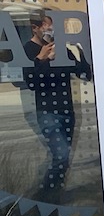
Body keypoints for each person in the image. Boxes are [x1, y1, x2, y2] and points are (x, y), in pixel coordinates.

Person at [23, 11, 91, 200]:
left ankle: (55, 196)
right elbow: (31, 82)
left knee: (63, 159)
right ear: (35, 28)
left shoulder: (61, 49)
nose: (50, 29)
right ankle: (43, 196)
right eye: (45, 26)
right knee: (60, 155)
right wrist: (41, 59)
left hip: (67, 112)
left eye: (52, 25)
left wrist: (80, 53)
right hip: (47, 113)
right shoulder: (28, 49)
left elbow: (84, 74)